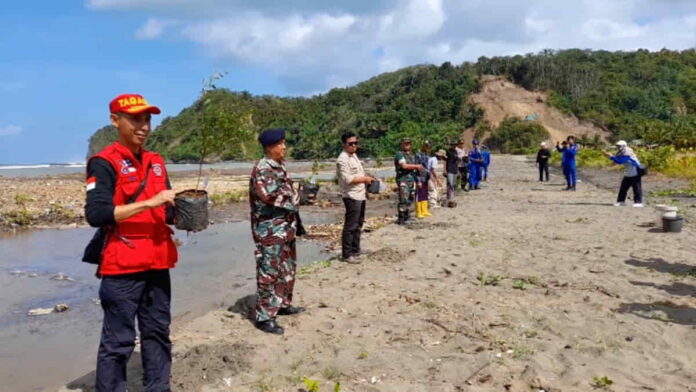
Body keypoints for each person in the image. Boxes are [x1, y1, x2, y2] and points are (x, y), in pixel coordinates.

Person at [85, 93, 178, 392]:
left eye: (147, 119)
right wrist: (151, 202)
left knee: (158, 333)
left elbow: (169, 209)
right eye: (136, 119)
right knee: (118, 341)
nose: (144, 126)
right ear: (115, 120)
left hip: (158, 261)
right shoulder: (103, 162)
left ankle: (158, 387)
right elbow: (97, 214)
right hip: (122, 266)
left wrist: (187, 212)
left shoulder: (156, 162)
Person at [249, 128, 304, 335]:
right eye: (280, 144)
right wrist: (297, 199)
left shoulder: (279, 167)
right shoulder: (263, 168)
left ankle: (282, 303)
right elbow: (270, 197)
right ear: (270, 147)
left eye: (284, 143)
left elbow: (286, 192)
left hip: (285, 228)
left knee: (286, 269)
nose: (284, 147)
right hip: (270, 230)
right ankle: (264, 316)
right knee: (268, 272)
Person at [336, 132, 374, 263]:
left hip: (360, 193)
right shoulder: (342, 159)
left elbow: (359, 173)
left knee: (359, 223)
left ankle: (355, 248)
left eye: (355, 143)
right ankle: (346, 254)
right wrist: (364, 179)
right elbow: (348, 179)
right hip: (351, 195)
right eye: (350, 143)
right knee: (351, 224)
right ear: (344, 144)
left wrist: (366, 179)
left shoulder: (354, 156)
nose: (353, 146)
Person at [603, 140, 644, 207]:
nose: (618, 147)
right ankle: (621, 201)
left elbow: (620, 161)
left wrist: (611, 156)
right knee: (623, 187)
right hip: (628, 171)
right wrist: (610, 157)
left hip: (635, 170)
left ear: (624, 146)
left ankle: (638, 202)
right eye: (617, 146)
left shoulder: (628, 152)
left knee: (636, 187)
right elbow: (617, 159)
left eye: (619, 146)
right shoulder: (621, 152)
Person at [394, 138, 423, 224]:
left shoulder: (411, 155)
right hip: (403, 179)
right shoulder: (400, 155)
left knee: (410, 198)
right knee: (404, 198)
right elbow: (404, 166)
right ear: (402, 144)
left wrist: (418, 181)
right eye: (405, 144)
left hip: (411, 179)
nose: (407, 145)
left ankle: (407, 216)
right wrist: (416, 166)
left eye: (408, 144)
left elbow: (414, 170)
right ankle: (401, 218)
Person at [414, 141, 433, 218]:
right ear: (423, 146)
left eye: (429, 147)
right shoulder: (418, 155)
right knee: (419, 194)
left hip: (426, 177)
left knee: (425, 193)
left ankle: (424, 210)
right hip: (420, 177)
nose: (428, 148)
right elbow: (416, 168)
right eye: (426, 146)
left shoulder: (427, 155)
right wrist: (418, 180)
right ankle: (418, 212)